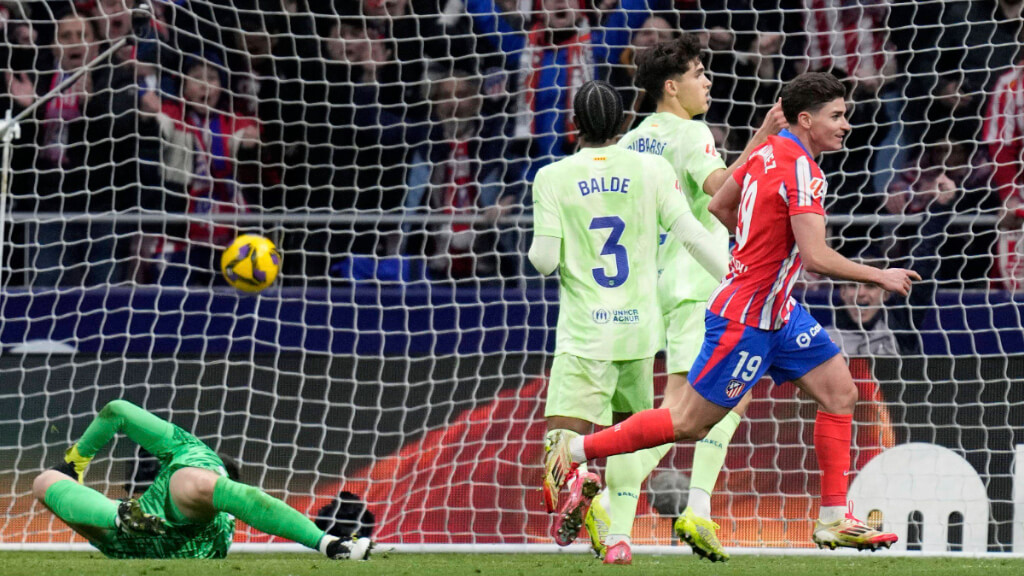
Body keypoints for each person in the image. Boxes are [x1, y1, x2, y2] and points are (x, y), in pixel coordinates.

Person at [544, 72, 919, 552]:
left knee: (841, 392)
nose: (846, 125)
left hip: (778, 310)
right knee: (688, 422)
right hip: (745, 318)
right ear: (806, 120)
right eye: (837, 116)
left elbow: (722, 205)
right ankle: (572, 451)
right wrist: (880, 275)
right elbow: (816, 257)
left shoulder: (765, 152)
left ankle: (832, 517)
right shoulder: (803, 170)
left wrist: (754, 247)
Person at [580, 34, 786, 564]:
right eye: (699, 74)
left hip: (652, 285)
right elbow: (724, 192)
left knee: (689, 406)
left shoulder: (631, 140)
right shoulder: (693, 133)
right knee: (689, 413)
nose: (707, 82)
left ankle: (624, 527)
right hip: (700, 285)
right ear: (672, 87)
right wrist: (764, 138)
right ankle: (642, 499)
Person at [529, 80, 728, 564]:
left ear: (575, 124)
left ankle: (580, 486)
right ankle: (617, 539)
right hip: (640, 333)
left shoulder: (552, 177)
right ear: (623, 123)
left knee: (560, 450)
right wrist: (735, 278)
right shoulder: (651, 169)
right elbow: (690, 233)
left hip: (584, 334)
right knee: (627, 441)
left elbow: (543, 260)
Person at [32, 400, 371, 560]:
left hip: (128, 536)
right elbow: (250, 501)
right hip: (177, 538)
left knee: (44, 482)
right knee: (198, 486)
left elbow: (118, 410)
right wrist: (323, 541)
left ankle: (119, 516)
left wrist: (75, 463)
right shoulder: (206, 481)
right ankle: (330, 545)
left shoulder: (192, 456)